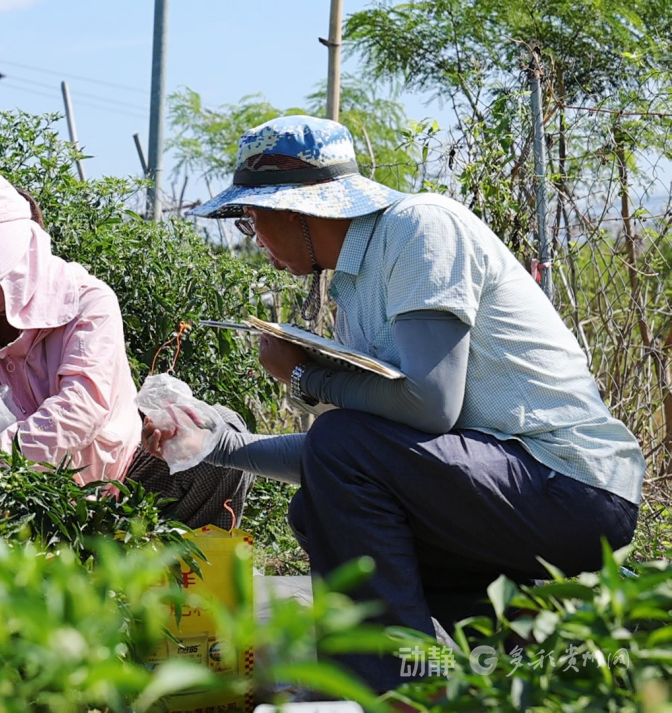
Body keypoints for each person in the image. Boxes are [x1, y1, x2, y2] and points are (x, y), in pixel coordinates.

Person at [146, 115, 643, 691]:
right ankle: (507, 662)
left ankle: (391, 687)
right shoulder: (354, 288)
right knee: (318, 506)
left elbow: (431, 406)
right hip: (510, 491)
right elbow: (364, 460)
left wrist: (306, 376)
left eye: (254, 218)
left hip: (572, 486)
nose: (253, 238)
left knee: (340, 449)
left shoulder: (420, 228)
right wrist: (219, 443)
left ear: (298, 209)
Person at [0, 173, 250, 529]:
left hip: (114, 477)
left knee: (218, 442)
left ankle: (156, 570)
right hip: (11, 493)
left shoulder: (86, 302)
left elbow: (80, 409)